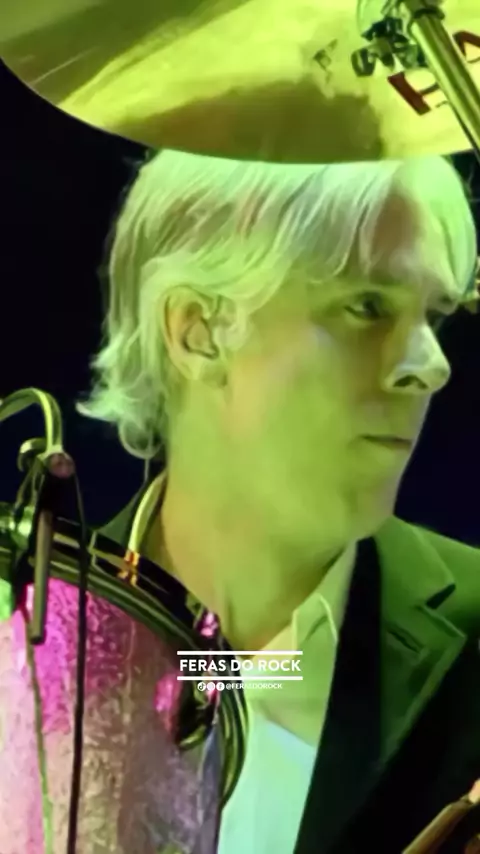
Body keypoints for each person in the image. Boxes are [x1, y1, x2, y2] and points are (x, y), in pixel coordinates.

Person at [80, 149, 480, 853]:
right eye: (368, 306)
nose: (432, 365)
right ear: (198, 330)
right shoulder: (20, 641)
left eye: (435, 316)